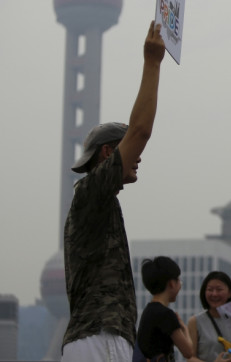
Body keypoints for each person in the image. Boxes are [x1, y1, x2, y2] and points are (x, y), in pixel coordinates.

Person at [61, 21, 166, 361]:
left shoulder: (98, 201)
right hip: (99, 336)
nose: (138, 160)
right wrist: (152, 63)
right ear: (108, 153)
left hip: (103, 336)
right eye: (128, 151)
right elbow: (140, 131)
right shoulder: (90, 192)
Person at [135, 256, 194, 361]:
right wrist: (184, 329)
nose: (180, 285)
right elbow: (188, 352)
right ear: (171, 283)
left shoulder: (148, 311)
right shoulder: (166, 315)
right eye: (179, 281)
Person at [187, 271, 231, 362]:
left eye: (219, 289)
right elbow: (190, 358)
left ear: (230, 293)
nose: (214, 294)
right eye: (210, 290)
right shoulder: (195, 321)